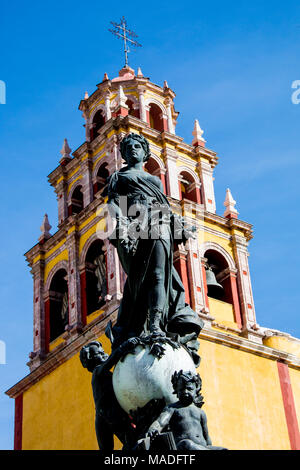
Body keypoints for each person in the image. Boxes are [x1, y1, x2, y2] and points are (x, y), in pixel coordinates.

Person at [106, 133, 203, 364]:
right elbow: (113, 203)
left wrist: (179, 227)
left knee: (160, 275)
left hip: (157, 221)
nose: (133, 150)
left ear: (145, 151)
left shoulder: (156, 181)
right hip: (132, 225)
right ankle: (135, 324)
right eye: (128, 147)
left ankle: (156, 325)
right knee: (138, 279)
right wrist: (121, 224)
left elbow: (164, 209)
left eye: (138, 146)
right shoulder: (118, 177)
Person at [79, 338, 139, 450]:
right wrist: (124, 346)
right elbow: (109, 362)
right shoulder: (98, 372)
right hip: (109, 416)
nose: (104, 354)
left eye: (103, 351)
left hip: (107, 415)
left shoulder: (105, 374)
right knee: (131, 441)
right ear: (91, 359)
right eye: (99, 353)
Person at [146, 370, 226, 450]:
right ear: (176, 391)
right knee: (188, 444)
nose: (185, 391)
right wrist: (153, 429)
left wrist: (210, 446)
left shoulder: (201, 412)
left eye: (189, 388)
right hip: (183, 446)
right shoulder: (172, 408)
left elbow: (206, 436)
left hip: (202, 447)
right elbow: (160, 422)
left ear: (196, 390)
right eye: (181, 389)